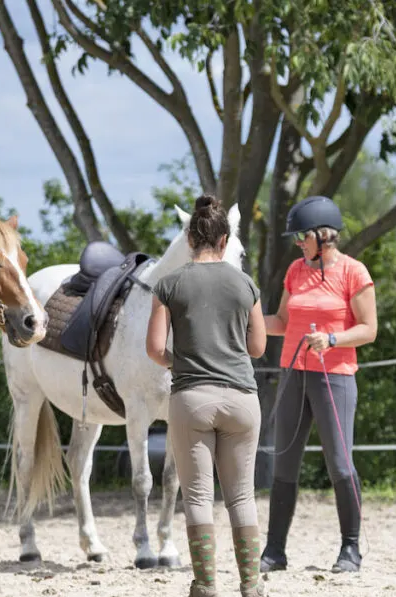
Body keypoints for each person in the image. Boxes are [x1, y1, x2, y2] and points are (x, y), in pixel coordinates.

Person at [146, 195, 268, 597]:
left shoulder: (168, 283)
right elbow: (257, 348)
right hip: (242, 400)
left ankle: (206, 585)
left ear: (190, 238)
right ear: (225, 238)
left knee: (197, 494)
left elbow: (154, 347)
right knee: (242, 496)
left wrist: (181, 362)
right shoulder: (245, 283)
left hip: (191, 398)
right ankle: (251, 585)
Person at [259, 195, 377, 574]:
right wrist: (246, 323)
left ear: (322, 236)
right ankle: (274, 551)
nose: (297, 243)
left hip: (335, 377)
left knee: (340, 465)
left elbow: (369, 329)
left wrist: (332, 339)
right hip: (293, 374)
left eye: (301, 237)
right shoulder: (296, 271)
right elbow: (280, 320)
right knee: (284, 462)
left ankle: (351, 548)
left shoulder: (354, 272)